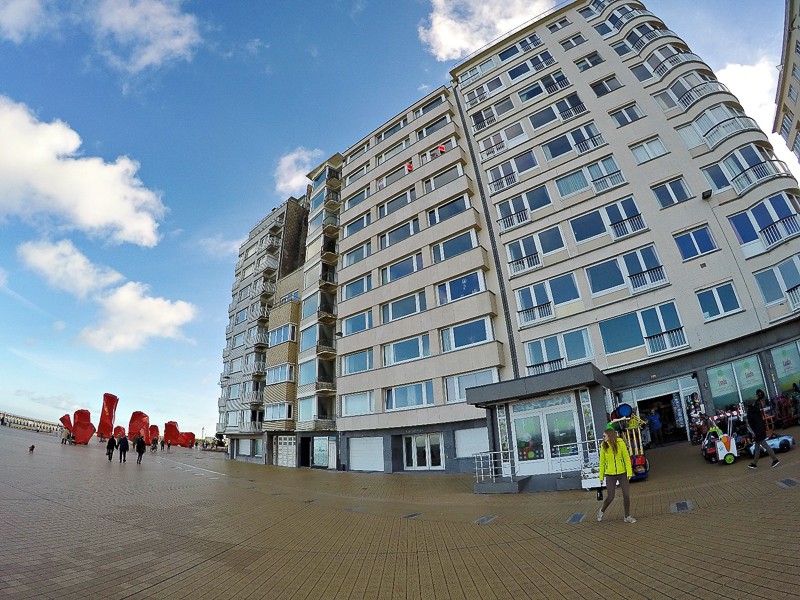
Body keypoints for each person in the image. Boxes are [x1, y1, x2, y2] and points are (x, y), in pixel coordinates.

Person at [597, 424, 636, 523]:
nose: (603, 438)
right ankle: (602, 510)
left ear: (610, 436)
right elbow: (602, 462)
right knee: (611, 496)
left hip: (622, 473)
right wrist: (601, 476)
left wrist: (629, 472)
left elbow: (626, 458)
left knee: (626, 495)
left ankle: (627, 516)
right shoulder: (603, 445)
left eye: (604, 436)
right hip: (610, 474)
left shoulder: (620, 443)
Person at [746, 395, 779, 469]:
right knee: (757, 447)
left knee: (765, 446)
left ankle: (775, 459)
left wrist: (753, 434)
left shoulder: (749, 413)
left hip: (757, 433)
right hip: (761, 430)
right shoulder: (756, 409)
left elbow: (750, 425)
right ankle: (754, 463)